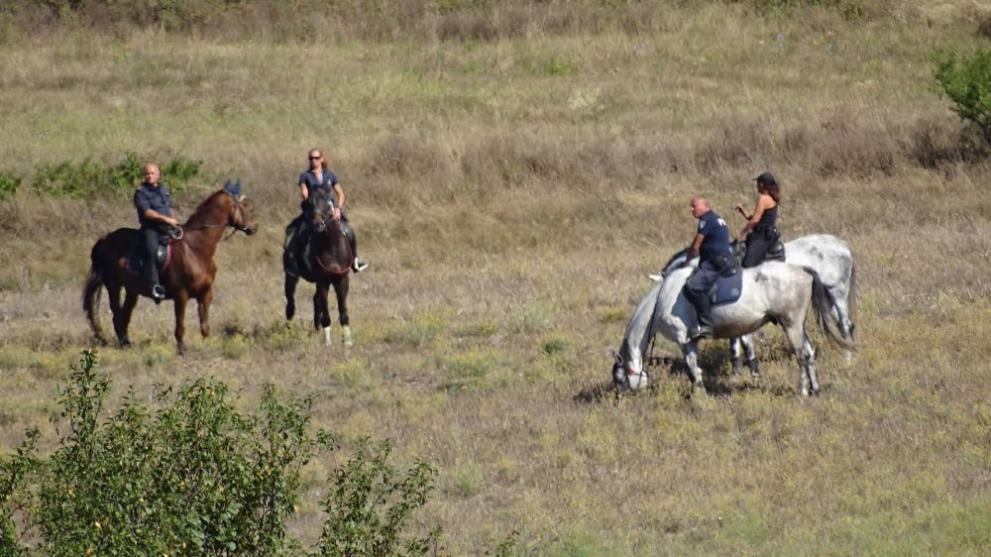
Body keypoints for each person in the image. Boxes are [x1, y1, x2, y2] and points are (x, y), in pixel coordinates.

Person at [285, 149, 368, 276]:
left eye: (316, 158)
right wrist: (305, 194)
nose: (314, 160)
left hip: (329, 211)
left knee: (348, 231)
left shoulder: (330, 175)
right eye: (311, 158)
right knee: (298, 232)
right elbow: (304, 191)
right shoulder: (305, 176)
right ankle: (295, 263)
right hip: (312, 211)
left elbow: (340, 193)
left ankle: (355, 261)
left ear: (322, 159)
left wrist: (338, 209)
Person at [681, 196, 735, 339]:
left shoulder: (706, 220)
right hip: (726, 259)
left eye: (694, 206)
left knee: (692, 286)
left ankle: (706, 325)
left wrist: (687, 261)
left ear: (705, 206)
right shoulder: (717, 218)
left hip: (715, 262)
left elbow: (696, 245)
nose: (691, 209)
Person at [133, 163, 179, 301]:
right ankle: (154, 286)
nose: (150, 176)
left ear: (158, 175)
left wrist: (172, 220)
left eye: (152, 173)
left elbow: (167, 207)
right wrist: (165, 219)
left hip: (167, 226)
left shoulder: (163, 189)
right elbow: (147, 212)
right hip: (151, 229)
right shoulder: (141, 192)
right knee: (152, 252)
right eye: (147, 173)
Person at [735, 171, 781, 268]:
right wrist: (743, 211)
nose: (756, 186)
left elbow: (755, 220)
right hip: (764, 233)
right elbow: (756, 218)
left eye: (757, 184)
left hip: (763, 236)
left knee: (748, 264)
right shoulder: (770, 197)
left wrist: (741, 234)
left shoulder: (763, 198)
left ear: (761, 184)